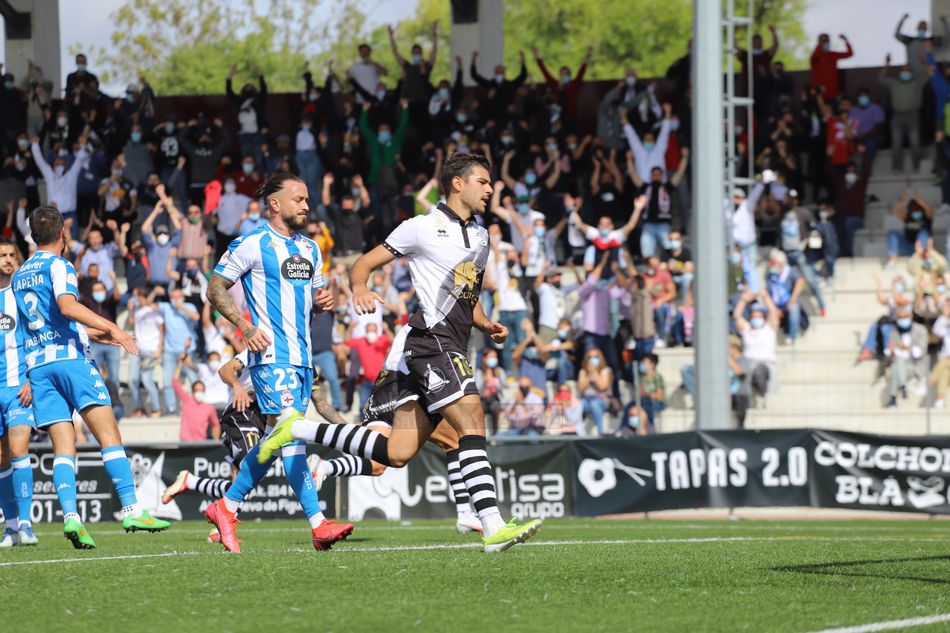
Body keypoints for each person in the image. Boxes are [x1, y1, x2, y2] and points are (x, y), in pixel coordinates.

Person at [258, 153, 543, 553]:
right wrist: (358, 287)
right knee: (472, 418)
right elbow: (365, 263)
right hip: (430, 341)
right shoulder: (421, 228)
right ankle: (491, 525)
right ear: (457, 184)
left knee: (397, 453)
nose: (490, 189)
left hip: (453, 342)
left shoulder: (481, 237)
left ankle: (298, 430)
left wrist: (485, 322)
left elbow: (467, 294)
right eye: (482, 182)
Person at [204, 172, 350, 553]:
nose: (306, 205)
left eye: (307, 199)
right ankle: (313, 522)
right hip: (270, 357)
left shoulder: (311, 249)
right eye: (299, 199)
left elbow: (312, 299)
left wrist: (322, 303)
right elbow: (214, 287)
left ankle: (228, 507)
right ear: (275, 204)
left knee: (289, 443)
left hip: (303, 360)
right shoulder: (252, 243)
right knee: (290, 431)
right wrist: (244, 325)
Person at [12, 206, 170, 548]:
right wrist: (111, 325)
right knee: (108, 434)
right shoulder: (60, 265)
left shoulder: (20, 274)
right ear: (63, 234)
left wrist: (91, 335)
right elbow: (67, 307)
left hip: (39, 368)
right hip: (71, 363)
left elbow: (47, 321)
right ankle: (131, 508)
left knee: (63, 448)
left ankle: (71, 518)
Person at [0, 238, 36, 547]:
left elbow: (38, 335)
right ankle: (10, 527)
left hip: (17, 386)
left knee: (18, 450)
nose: (8, 260)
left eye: (12, 255)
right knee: (1, 460)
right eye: (3, 256)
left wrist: (30, 379)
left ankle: (26, 523)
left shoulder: (22, 295)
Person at [878, 53, 928, 174]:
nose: (905, 72)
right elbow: (880, 79)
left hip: (913, 116)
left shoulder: (918, 82)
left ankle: (917, 167)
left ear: (911, 71)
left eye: (908, 69)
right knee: (896, 144)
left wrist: (923, 62)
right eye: (903, 69)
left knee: (915, 143)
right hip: (897, 117)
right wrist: (887, 65)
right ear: (900, 71)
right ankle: (897, 167)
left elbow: (929, 74)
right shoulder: (894, 83)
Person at [733, 291, 780, 399]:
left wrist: (766, 297)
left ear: (764, 318)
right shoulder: (747, 329)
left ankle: (761, 395)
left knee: (759, 372)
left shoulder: (769, 329)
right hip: (748, 363)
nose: (756, 319)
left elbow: (773, 312)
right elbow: (737, 315)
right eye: (753, 317)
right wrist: (743, 300)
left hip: (765, 363)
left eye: (759, 317)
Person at [885, 306, 928, 408]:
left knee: (897, 366)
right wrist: (892, 349)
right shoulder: (894, 332)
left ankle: (894, 397)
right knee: (897, 365)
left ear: (911, 316)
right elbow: (889, 351)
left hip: (915, 367)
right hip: (899, 366)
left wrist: (908, 348)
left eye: (905, 316)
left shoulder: (920, 330)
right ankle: (902, 387)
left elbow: (920, 351)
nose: (903, 319)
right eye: (900, 317)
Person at [173, 355, 221, 443]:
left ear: (205, 391)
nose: (199, 392)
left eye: (201, 390)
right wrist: (180, 363)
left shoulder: (209, 408)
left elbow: (216, 425)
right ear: (193, 391)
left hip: (200, 444)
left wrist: (216, 442)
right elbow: (175, 382)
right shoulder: (187, 400)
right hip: (185, 442)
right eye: (197, 390)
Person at [887, 188, 932, 266]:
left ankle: (924, 259)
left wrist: (917, 198)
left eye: (917, 208)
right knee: (892, 233)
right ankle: (892, 259)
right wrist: (902, 200)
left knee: (923, 233)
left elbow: (927, 208)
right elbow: (895, 211)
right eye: (912, 208)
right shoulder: (907, 217)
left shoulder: (927, 216)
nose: (915, 209)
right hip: (909, 247)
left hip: (923, 248)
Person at [578, 348, 613, 436]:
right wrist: (589, 374)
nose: (593, 359)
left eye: (596, 357)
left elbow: (602, 387)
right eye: (590, 357)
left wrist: (595, 372)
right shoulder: (583, 372)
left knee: (595, 404)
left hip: (601, 400)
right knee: (577, 404)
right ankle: (577, 431)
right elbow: (581, 389)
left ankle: (601, 433)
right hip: (586, 400)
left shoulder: (606, 370)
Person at [809, 33, 853, 99]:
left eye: (827, 41)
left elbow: (849, 53)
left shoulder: (833, 55)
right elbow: (812, 59)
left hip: (832, 93)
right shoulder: (816, 56)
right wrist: (819, 46)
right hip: (819, 95)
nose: (826, 43)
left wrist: (846, 41)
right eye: (823, 41)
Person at [637, 353, 665, 432]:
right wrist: (649, 394)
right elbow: (640, 394)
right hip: (645, 402)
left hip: (658, 403)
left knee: (648, 403)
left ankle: (651, 429)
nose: (642, 365)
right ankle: (623, 430)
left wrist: (648, 394)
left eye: (645, 363)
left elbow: (659, 397)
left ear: (652, 365)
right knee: (630, 406)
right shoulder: (641, 378)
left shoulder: (657, 377)